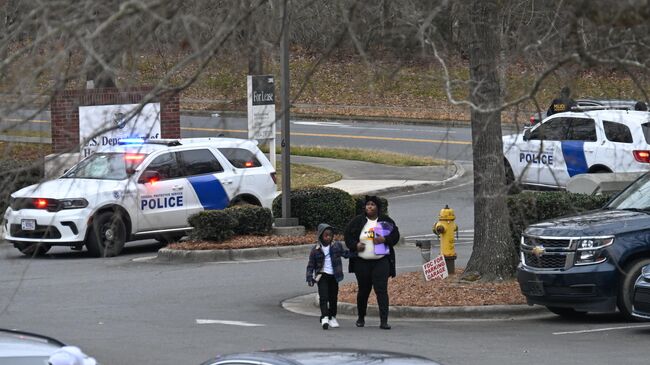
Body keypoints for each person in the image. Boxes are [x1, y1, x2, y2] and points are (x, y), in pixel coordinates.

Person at [344, 195, 400, 330]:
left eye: (373, 205)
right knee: (363, 291)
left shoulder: (385, 221)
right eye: (368, 205)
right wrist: (355, 245)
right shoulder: (358, 221)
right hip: (362, 262)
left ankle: (384, 321)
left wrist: (385, 240)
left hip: (381, 261)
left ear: (378, 207)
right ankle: (361, 318)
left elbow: (396, 235)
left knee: (381, 290)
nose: (370, 207)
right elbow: (348, 236)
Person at [306, 223, 350, 330]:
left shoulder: (337, 246)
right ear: (321, 236)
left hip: (334, 276)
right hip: (322, 276)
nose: (328, 237)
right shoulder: (315, 250)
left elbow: (345, 254)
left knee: (333, 298)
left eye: (330, 235)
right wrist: (309, 278)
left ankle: (332, 317)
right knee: (324, 297)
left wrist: (357, 252)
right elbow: (310, 265)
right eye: (326, 235)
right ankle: (325, 317)